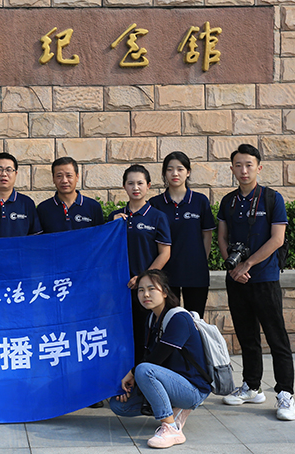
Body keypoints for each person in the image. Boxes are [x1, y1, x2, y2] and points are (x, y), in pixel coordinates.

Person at [217, 144, 295, 421]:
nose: (244, 170)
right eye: (238, 165)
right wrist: (233, 267)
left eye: (249, 165)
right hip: (237, 280)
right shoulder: (228, 201)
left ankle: (285, 394)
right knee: (247, 336)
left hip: (265, 278)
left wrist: (247, 264)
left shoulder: (272, 198)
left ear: (258, 168)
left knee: (276, 338)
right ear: (232, 169)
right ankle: (251, 386)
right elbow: (222, 237)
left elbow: (277, 239)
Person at [109, 270, 211, 449]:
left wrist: (133, 373)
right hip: (169, 382)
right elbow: (148, 357)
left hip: (193, 388)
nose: (145, 294)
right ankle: (173, 410)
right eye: (141, 290)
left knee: (143, 369)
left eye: (151, 289)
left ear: (164, 292)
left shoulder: (179, 318)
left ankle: (171, 428)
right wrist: (133, 386)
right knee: (118, 405)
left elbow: (157, 358)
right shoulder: (152, 319)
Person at [109, 164, 171, 365]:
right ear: (124, 186)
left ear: (148, 186)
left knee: (146, 334)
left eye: (140, 183)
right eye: (130, 183)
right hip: (120, 288)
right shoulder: (115, 217)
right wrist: (111, 225)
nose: (135, 187)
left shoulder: (157, 216)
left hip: (146, 288)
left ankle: (143, 374)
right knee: (122, 334)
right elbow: (105, 251)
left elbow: (165, 253)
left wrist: (144, 279)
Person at [148, 152, 215, 317]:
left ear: (188, 172)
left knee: (196, 320)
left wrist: (201, 260)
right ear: (164, 173)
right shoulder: (155, 203)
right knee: (169, 320)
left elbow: (207, 235)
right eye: (170, 169)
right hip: (166, 274)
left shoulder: (200, 201)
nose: (175, 173)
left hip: (196, 273)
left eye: (180, 169)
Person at [37, 156, 104, 233]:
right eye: (59, 176)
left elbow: (100, 236)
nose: (64, 180)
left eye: (69, 175)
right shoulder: (43, 209)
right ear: (53, 179)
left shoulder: (93, 207)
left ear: (77, 177)